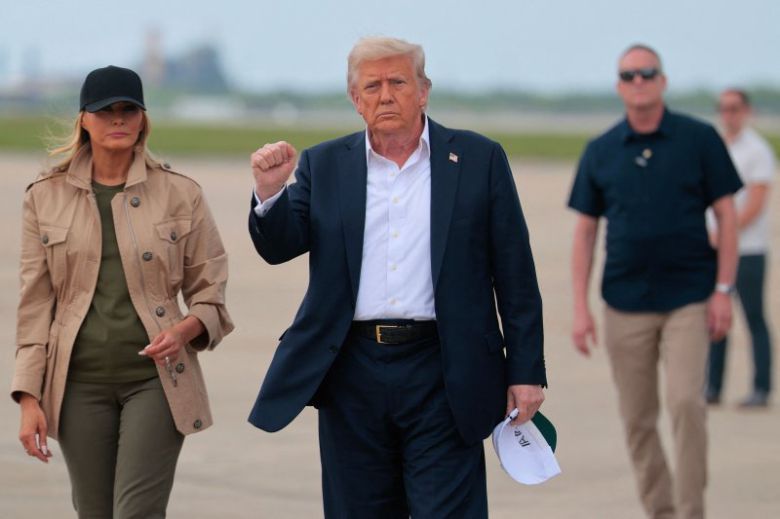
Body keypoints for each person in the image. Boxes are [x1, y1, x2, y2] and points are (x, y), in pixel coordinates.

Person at [247, 36, 546, 518]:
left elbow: (515, 274)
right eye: (373, 86)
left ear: (423, 91)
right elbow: (279, 246)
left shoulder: (478, 159)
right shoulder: (326, 164)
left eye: (398, 82)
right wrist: (269, 193)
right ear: (355, 98)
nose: (386, 95)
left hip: (445, 368)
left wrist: (526, 372)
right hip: (352, 369)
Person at [11, 65, 233, 518]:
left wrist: (184, 330)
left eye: (128, 110)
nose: (117, 119)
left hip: (156, 381)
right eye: (104, 110)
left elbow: (211, 293)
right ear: (84, 120)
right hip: (77, 386)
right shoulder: (44, 196)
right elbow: (34, 307)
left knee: (136, 513)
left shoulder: (181, 193)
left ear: (142, 119)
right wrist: (28, 397)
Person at [568, 44, 742, 519]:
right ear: (619, 86)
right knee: (637, 418)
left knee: (686, 403)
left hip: (690, 297)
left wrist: (724, 290)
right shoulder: (601, 150)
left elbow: (727, 216)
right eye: (629, 75)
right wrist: (580, 309)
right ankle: (660, 511)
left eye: (648, 73)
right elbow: (585, 233)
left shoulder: (700, 140)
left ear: (663, 81)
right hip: (624, 302)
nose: (639, 81)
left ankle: (691, 510)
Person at [706, 89, 776, 408]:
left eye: (734, 108)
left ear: (747, 111)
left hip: (748, 250)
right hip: (714, 247)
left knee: (753, 317)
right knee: (715, 318)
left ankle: (761, 387)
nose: (729, 114)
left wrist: (727, 233)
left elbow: (756, 202)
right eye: (723, 108)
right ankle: (713, 386)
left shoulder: (757, 150)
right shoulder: (716, 146)